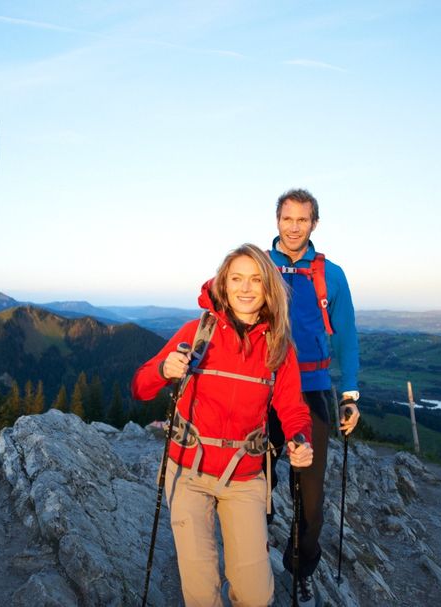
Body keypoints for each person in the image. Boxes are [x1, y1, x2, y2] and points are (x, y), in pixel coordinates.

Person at [132, 243, 314, 607]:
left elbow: (293, 409)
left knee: (256, 594)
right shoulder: (196, 332)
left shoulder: (279, 346)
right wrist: (163, 369)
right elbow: (139, 386)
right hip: (188, 472)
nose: (245, 288)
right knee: (201, 592)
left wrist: (300, 439)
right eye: (236, 279)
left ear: (268, 288)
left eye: (255, 279)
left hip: (245, 476)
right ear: (223, 284)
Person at [266, 189, 360, 607]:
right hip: (262, 389)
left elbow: (347, 336)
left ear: (314, 224)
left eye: (302, 220)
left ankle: (301, 568)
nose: (293, 227)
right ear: (277, 220)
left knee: (311, 493)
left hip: (313, 389)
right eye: (288, 219)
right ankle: (250, 558)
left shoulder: (331, 274)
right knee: (254, 480)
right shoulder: (258, 266)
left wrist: (350, 394)